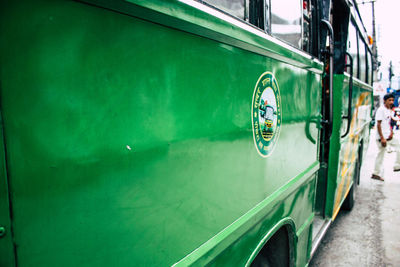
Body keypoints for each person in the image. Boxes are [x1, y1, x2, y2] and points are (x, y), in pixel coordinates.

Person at [372, 93, 400, 181]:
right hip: (382, 138)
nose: (391, 102)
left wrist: (391, 132)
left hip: (389, 137)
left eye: (392, 100)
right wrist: (382, 138)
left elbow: (388, 123)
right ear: (384, 101)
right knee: (380, 155)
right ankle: (375, 173)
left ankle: (397, 166)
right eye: (389, 100)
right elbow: (379, 125)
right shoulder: (381, 110)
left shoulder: (388, 109)